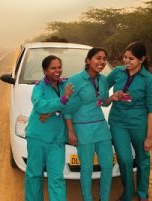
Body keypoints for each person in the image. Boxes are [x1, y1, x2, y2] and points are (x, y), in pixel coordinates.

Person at [106, 41, 152, 201]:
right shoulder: (117, 72)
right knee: (125, 159)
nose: (126, 61)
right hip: (118, 122)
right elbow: (100, 93)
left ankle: (142, 193)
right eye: (125, 57)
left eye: (132, 58)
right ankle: (128, 193)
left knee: (143, 158)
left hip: (139, 123)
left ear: (142, 59)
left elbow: (151, 111)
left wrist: (149, 137)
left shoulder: (149, 80)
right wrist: (111, 98)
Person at [65, 47, 114, 201]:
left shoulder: (103, 80)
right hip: (83, 128)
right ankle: (87, 198)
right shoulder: (75, 80)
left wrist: (113, 98)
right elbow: (67, 109)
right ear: (88, 60)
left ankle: (104, 198)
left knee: (107, 166)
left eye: (104, 58)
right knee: (86, 168)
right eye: (98, 58)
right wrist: (71, 132)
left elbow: (103, 103)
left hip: (101, 127)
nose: (102, 62)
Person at [25, 55, 74, 201]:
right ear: (45, 70)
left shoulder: (65, 85)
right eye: (53, 68)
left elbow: (70, 105)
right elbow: (39, 105)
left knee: (57, 177)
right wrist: (62, 100)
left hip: (57, 140)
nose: (57, 70)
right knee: (34, 175)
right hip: (37, 137)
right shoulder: (39, 87)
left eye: (59, 67)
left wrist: (51, 111)